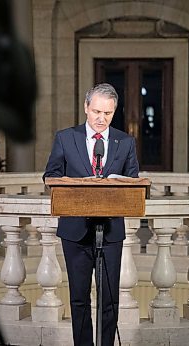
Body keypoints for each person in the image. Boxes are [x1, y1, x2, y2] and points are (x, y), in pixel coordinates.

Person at [43, 83, 139, 346]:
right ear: (86, 108)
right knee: (79, 297)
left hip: (110, 231)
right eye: (96, 111)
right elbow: (50, 176)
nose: (101, 118)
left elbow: (133, 181)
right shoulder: (65, 138)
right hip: (74, 230)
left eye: (107, 113)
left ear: (114, 112)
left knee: (109, 298)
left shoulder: (125, 141)